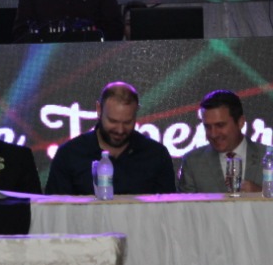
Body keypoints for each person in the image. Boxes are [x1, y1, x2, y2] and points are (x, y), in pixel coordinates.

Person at [44, 81, 176, 195]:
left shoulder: (156, 155)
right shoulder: (69, 154)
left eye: (127, 122)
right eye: (113, 121)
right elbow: (55, 210)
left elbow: (168, 210)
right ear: (99, 109)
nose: (120, 130)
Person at [178, 89, 273, 193]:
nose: (213, 134)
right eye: (208, 127)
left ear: (240, 122)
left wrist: (262, 194)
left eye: (220, 125)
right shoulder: (193, 162)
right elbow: (185, 204)